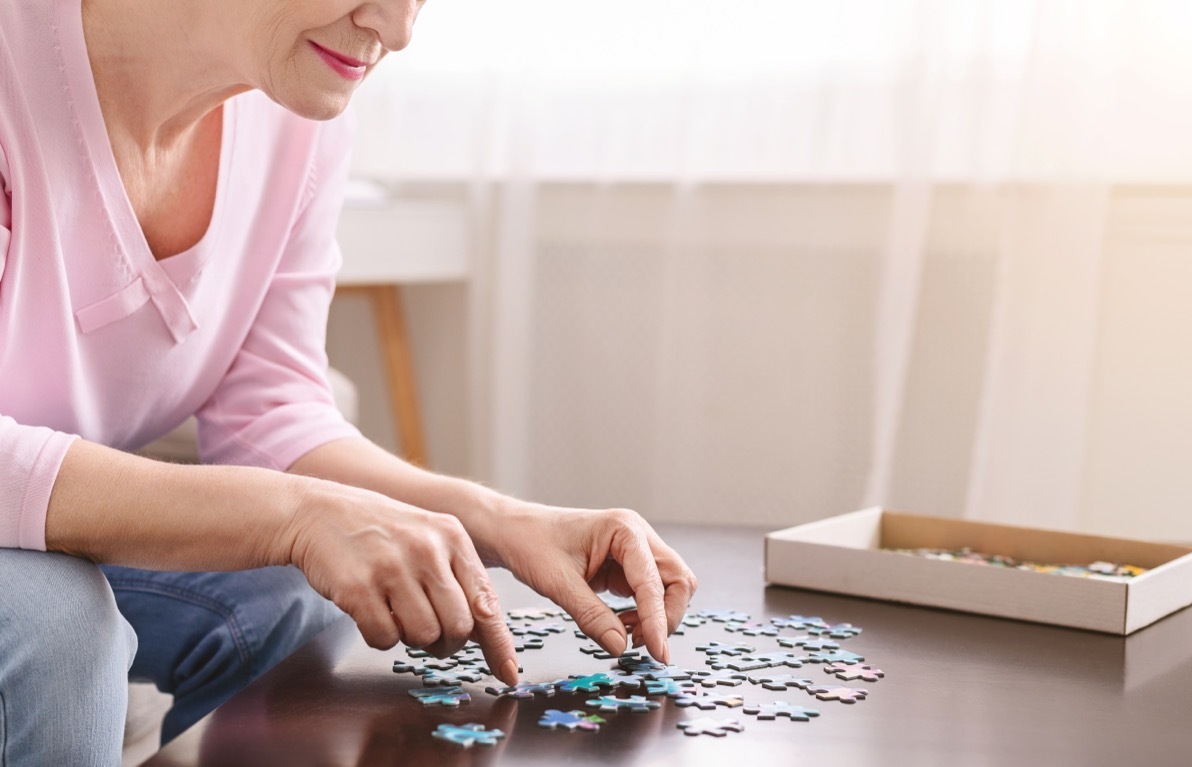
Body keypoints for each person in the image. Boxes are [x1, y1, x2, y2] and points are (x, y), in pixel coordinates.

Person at [0, 0, 699, 763]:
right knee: (61, 628)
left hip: (42, 527)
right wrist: (296, 516)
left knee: (295, 594)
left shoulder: (296, 112)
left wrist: (498, 521)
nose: (398, 30)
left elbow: (271, 415)